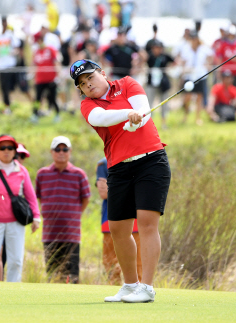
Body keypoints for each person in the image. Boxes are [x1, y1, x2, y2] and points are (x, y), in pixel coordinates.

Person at [70, 59, 170, 302]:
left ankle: (146, 287)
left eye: (90, 77)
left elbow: (143, 113)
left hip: (150, 162)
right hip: (118, 167)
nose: (88, 84)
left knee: (146, 224)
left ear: (103, 73)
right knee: (117, 229)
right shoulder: (88, 105)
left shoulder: (127, 84)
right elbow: (100, 118)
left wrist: (136, 119)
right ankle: (129, 285)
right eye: (82, 84)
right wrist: (127, 115)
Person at [0, 135, 40, 282]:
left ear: (14, 151)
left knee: (16, 261)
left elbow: (31, 196)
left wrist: (36, 217)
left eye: (10, 148)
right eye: (2, 148)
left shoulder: (22, 171)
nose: (6, 151)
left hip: (15, 222)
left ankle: (13, 294)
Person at [36, 136, 90, 283]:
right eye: (57, 149)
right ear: (51, 152)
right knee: (52, 275)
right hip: (50, 233)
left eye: (64, 149)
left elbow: (85, 199)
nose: (61, 152)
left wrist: (74, 215)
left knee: (71, 277)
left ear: (70, 151)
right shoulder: (42, 174)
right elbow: (39, 197)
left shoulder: (79, 174)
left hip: (71, 234)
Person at [96, 157, 141, 284]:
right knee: (111, 267)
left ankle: (140, 298)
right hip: (110, 221)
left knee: (139, 267)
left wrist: (115, 188)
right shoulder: (103, 163)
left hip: (137, 222)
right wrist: (131, 187)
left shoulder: (141, 159)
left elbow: (143, 191)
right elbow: (103, 193)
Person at [180, 30, 214, 125]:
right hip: (189, 75)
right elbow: (183, 61)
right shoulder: (186, 48)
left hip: (200, 75)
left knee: (199, 97)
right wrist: (183, 70)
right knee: (187, 97)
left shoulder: (203, 48)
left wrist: (208, 65)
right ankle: (185, 116)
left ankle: (198, 118)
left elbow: (211, 57)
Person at [143, 40, 174, 129]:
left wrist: (169, 69)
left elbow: (175, 62)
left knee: (164, 104)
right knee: (149, 103)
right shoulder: (149, 56)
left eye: (158, 48)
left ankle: (164, 123)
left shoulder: (165, 56)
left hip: (163, 84)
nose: (156, 50)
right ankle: (149, 124)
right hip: (151, 83)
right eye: (154, 48)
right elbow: (142, 61)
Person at [0, 16, 21, 114]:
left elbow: (18, 48)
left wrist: (12, 52)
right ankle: (7, 107)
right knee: (4, 88)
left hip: (10, 65)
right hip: (1, 65)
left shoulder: (10, 36)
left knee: (12, 87)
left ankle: (12, 105)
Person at [31, 32, 61, 123]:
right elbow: (34, 64)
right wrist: (32, 77)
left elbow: (56, 62)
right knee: (37, 99)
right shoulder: (36, 52)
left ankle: (57, 114)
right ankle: (35, 115)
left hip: (51, 79)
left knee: (52, 98)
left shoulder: (51, 49)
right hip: (40, 79)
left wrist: (58, 76)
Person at [215, 25, 236, 89]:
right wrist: (218, 71)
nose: (231, 36)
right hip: (225, 72)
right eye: (230, 34)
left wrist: (233, 58)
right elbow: (220, 58)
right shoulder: (223, 45)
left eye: (233, 35)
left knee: (235, 90)